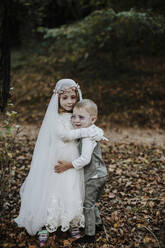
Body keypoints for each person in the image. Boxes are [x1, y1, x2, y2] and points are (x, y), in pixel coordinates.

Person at [14, 79, 104, 246]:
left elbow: (90, 125)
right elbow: (64, 135)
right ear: (57, 99)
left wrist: (94, 131)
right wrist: (89, 131)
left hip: (72, 163)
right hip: (56, 162)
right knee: (51, 191)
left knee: (71, 190)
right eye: (65, 98)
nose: (70, 101)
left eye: (73, 97)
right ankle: (44, 224)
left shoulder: (77, 115)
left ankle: (71, 222)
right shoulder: (55, 118)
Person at [55, 99, 107, 244]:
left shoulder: (87, 137)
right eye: (74, 116)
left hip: (94, 176)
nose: (76, 120)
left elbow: (85, 159)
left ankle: (90, 235)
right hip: (99, 173)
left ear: (93, 119)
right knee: (91, 202)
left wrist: (68, 165)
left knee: (87, 204)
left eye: (81, 117)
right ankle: (98, 224)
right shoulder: (91, 130)